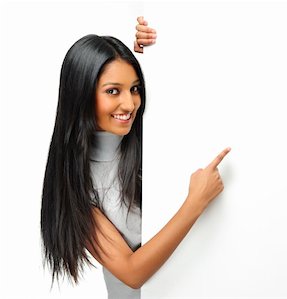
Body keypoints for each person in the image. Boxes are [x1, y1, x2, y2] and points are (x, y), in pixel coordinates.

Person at [41, 16, 231, 299]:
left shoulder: (145, 144)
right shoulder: (75, 185)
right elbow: (132, 273)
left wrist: (156, 55)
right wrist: (196, 202)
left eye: (135, 89)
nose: (130, 104)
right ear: (80, 95)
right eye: (112, 91)